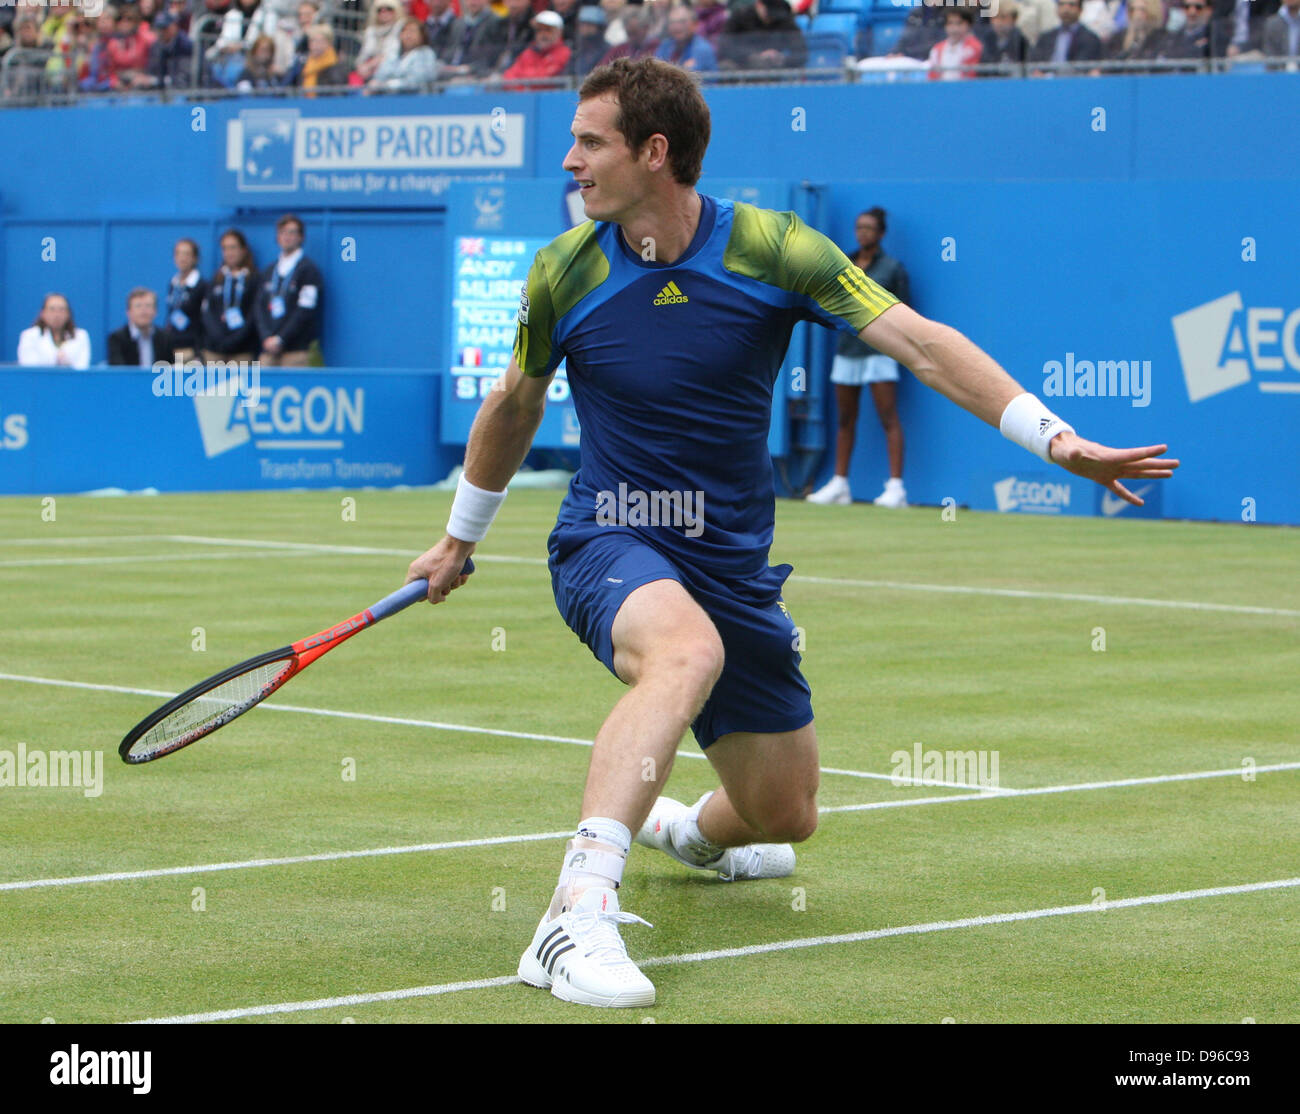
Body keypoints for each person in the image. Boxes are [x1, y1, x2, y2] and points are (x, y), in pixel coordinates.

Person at [403, 57, 1178, 1009]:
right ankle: (573, 915)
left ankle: (684, 834)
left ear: (655, 153)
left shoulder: (774, 248)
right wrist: (460, 538)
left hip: (730, 561)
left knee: (784, 812)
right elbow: (514, 404)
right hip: (612, 535)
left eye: (589, 141)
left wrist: (1053, 437)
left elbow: (921, 343)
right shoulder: (564, 271)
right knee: (683, 654)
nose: (570, 161)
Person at [806, 207, 911, 508]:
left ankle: (896, 489)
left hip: (880, 353)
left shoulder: (893, 268)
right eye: (859, 227)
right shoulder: (846, 264)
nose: (862, 232)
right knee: (845, 420)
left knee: (888, 418)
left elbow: (905, 313)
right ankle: (840, 484)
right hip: (847, 350)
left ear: (880, 233)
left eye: (869, 228)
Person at [255, 213, 324, 366]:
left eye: (292, 232)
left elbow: (305, 310)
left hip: (296, 352)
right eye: (283, 232)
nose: (287, 237)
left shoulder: (309, 271)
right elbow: (259, 308)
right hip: (268, 351)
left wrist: (281, 338)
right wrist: (267, 337)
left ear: (301, 237)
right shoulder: (269, 271)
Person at [201, 228, 260, 363]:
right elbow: (207, 312)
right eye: (225, 248)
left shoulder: (254, 279)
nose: (229, 253)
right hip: (214, 350)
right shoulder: (217, 279)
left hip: (242, 351)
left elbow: (254, 315)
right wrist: (218, 338)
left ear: (243, 250)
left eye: (233, 248)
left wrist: (235, 340)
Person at [717, 0, 807, 71]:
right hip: (743, 67)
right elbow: (725, 45)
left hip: (774, 70)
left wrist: (781, 58)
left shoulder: (785, 20)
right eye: (769, 12)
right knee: (726, 66)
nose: (772, 18)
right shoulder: (740, 16)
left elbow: (800, 52)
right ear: (759, 4)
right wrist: (754, 55)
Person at [17, 293, 91, 368]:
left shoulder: (81, 336)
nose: (57, 314)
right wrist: (55, 358)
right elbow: (27, 364)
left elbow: (82, 366)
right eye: (52, 309)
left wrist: (66, 361)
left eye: (61, 309)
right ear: (42, 313)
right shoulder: (29, 336)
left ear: (68, 314)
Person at [161, 238, 205, 362]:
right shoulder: (173, 283)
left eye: (186, 254)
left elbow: (203, 320)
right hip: (171, 346)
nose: (182, 258)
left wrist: (198, 349)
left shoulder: (201, 286)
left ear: (195, 258)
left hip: (190, 348)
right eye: (178, 254)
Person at [107, 288, 176, 367]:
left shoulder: (165, 338)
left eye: (148, 306)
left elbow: (171, 368)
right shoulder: (117, 338)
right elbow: (118, 371)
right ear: (129, 312)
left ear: (155, 311)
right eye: (138, 306)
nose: (143, 311)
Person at [1029, 0, 1104, 71]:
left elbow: (1082, 67)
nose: (1066, 9)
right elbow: (1035, 63)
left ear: (1080, 10)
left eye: (1071, 5)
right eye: (1061, 5)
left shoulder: (1090, 39)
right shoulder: (1046, 37)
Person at [368, 16, 438, 90]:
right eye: (405, 31)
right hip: (388, 97)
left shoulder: (426, 53)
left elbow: (418, 81)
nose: (408, 35)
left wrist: (387, 85)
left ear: (422, 36)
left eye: (412, 31)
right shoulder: (393, 54)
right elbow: (380, 75)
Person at [441, 0, 507, 77]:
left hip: (477, 76)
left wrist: (470, 68)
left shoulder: (496, 22)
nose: (473, 2)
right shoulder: (457, 24)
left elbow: (493, 57)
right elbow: (449, 51)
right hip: (452, 74)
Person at [503, 9, 571, 84]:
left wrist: (522, 78)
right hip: (522, 95)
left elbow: (542, 80)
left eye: (548, 30)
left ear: (559, 32)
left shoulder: (563, 53)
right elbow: (508, 77)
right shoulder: (529, 52)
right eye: (539, 30)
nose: (543, 34)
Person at [655, 4, 717, 70]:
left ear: (694, 24)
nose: (676, 27)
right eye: (672, 22)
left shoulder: (702, 49)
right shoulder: (665, 45)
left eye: (682, 22)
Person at [926, 6, 983, 79]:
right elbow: (932, 77)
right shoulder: (936, 50)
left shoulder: (975, 47)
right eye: (950, 23)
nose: (955, 28)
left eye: (959, 23)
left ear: (968, 25)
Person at [293, 21, 346, 90]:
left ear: (329, 43)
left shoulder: (336, 67)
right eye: (312, 41)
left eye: (320, 41)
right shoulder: (303, 64)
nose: (315, 45)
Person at [977, 0, 1029, 67]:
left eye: (1003, 17)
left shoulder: (1021, 40)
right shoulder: (986, 39)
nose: (998, 22)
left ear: (1014, 19)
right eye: (994, 17)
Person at [571, 5, 609, 74]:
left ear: (600, 28)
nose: (584, 28)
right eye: (582, 24)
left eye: (589, 25)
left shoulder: (608, 50)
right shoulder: (576, 49)